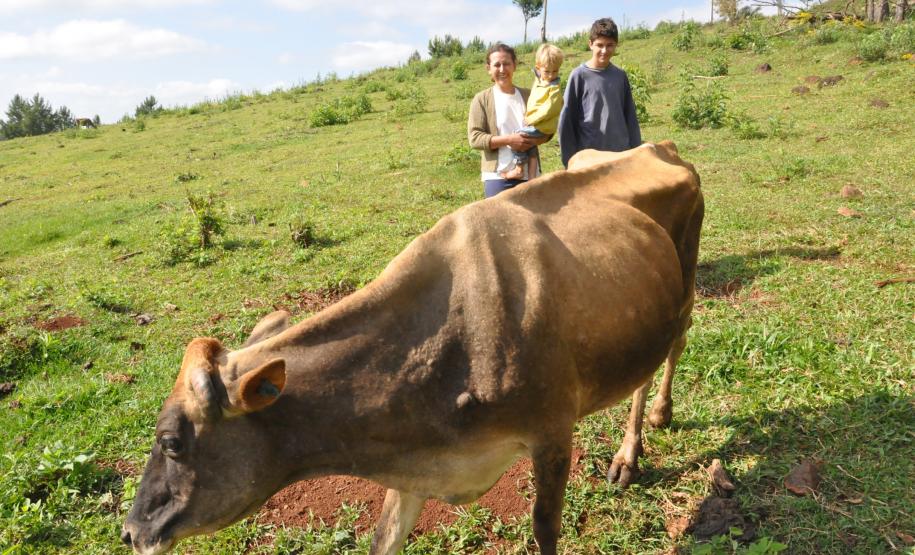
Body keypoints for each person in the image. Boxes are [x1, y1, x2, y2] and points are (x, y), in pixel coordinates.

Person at [468, 43, 551, 198]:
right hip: (498, 176)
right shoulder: (481, 99)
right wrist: (509, 140)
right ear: (488, 68)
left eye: (506, 64)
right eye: (496, 65)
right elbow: (475, 138)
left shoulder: (529, 95)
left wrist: (533, 139)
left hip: (530, 176)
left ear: (514, 65)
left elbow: (547, 130)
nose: (502, 69)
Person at [558, 17, 642, 168]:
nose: (604, 50)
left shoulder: (620, 76)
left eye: (610, 45)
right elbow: (567, 121)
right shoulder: (578, 76)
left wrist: (636, 151)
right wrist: (570, 160)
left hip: (620, 154)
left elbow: (630, 117)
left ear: (616, 45)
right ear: (590, 44)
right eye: (600, 45)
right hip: (590, 158)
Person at [500, 43, 565, 181]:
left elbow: (549, 109)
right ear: (538, 68)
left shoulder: (554, 89)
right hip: (539, 124)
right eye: (547, 71)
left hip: (542, 125)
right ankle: (532, 177)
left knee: (518, 136)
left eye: (555, 71)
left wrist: (531, 119)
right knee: (531, 145)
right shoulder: (540, 81)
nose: (551, 75)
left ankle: (518, 169)